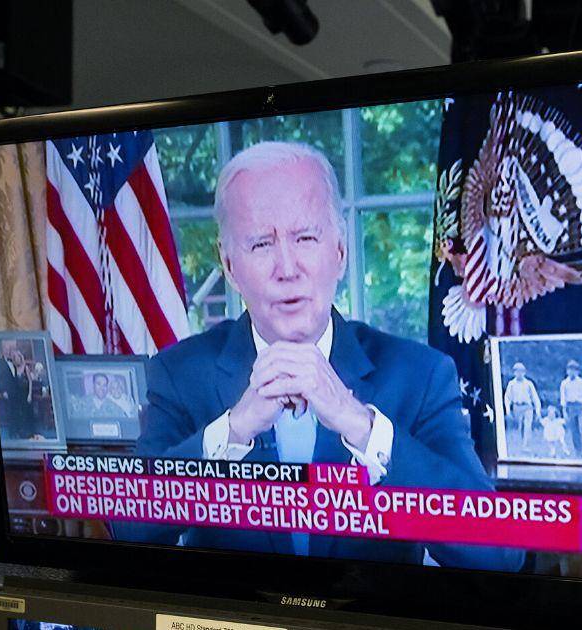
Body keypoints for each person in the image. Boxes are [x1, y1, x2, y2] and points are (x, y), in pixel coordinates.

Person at [117, 141, 522, 571]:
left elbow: (497, 553)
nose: (287, 268)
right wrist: (233, 432)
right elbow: (128, 529)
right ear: (229, 265)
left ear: (340, 252)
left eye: (305, 238)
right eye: (261, 244)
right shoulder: (179, 374)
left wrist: (360, 425)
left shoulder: (419, 376)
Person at [0, 342, 34, 439]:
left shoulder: (15, 363)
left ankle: (20, 432)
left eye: (9, 349)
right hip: (8, 392)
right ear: (2, 350)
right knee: (11, 412)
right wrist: (3, 391)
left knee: (18, 412)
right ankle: (12, 433)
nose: (8, 351)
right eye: (6, 349)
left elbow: (23, 379)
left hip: (18, 392)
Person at [558, 359, 582, 457]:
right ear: (567, 371)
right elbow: (563, 399)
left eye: (574, 370)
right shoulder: (564, 383)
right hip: (571, 407)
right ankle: (578, 451)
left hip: (581, 407)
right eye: (570, 370)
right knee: (574, 432)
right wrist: (564, 412)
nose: (572, 372)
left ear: (577, 371)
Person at [503, 362, 541, 448]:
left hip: (527, 407)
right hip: (517, 407)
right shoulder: (511, 384)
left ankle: (526, 445)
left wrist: (538, 411)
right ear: (514, 372)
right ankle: (519, 444)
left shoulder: (529, 384)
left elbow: (535, 397)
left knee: (527, 426)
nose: (519, 373)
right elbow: (507, 398)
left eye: (521, 371)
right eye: (517, 371)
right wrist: (508, 410)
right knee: (519, 427)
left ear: (524, 372)